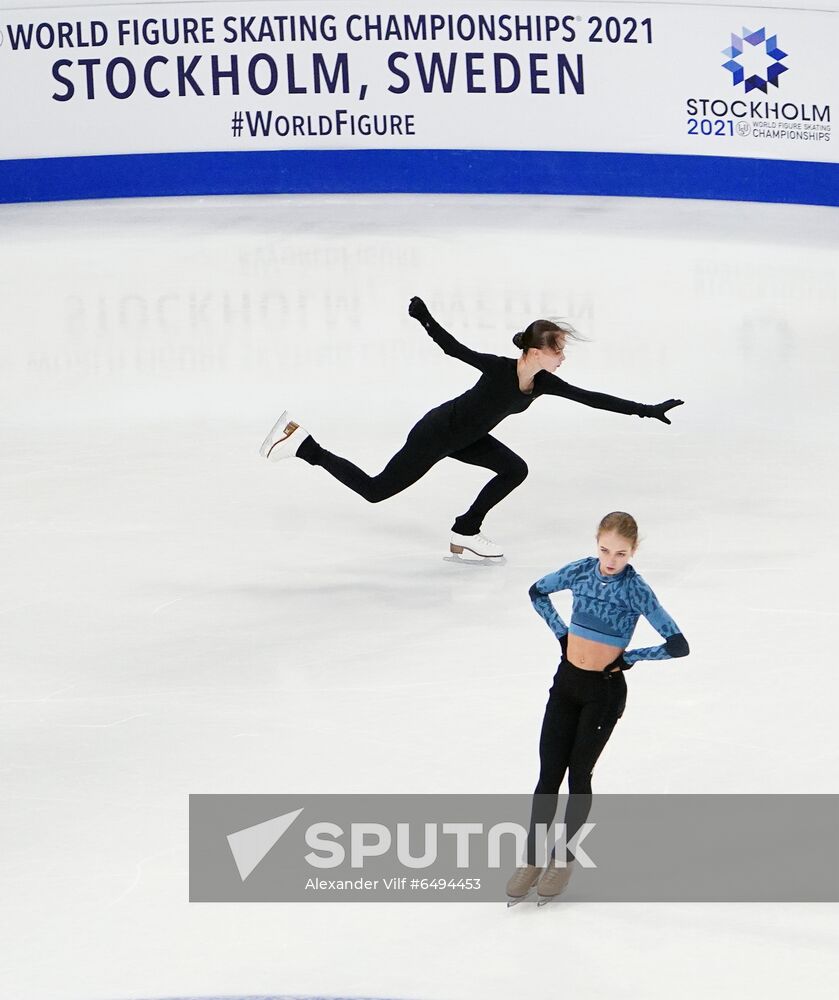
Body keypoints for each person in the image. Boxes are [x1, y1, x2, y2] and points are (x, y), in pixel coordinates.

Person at [259, 298, 683, 559]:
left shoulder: (543, 383)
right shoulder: (499, 370)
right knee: (376, 490)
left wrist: (648, 410)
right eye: (558, 351)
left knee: (515, 469)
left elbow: (593, 398)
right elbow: (452, 348)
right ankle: (304, 443)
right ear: (536, 352)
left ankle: (466, 530)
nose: (563, 359)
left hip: (468, 438)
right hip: (437, 432)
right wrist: (424, 317)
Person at [506, 511, 689, 905]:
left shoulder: (636, 590)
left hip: (603, 693)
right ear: (596, 543)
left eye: (620, 554)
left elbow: (678, 644)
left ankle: (563, 859)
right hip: (567, 683)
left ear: (633, 551)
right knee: (548, 773)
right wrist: (561, 633)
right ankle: (533, 858)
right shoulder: (581, 571)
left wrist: (630, 657)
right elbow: (537, 591)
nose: (611, 560)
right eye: (605, 550)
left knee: (578, 774)